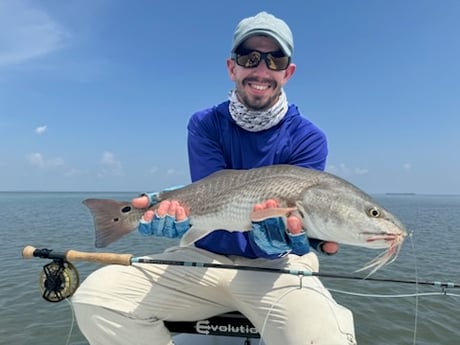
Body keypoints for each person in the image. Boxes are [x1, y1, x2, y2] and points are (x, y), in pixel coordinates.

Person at [72, 11, 357, 345]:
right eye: (249, 57)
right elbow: (212, 191)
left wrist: (288, 239)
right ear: (231, 67)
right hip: (203, 258)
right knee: (95, 299)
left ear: (288, 72)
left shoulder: (309, 138)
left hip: (276, 265)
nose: (261, 69)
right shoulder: (206, 123)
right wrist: (162, 206)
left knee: (324, 339)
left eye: (275, 59)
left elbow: (301, 221)